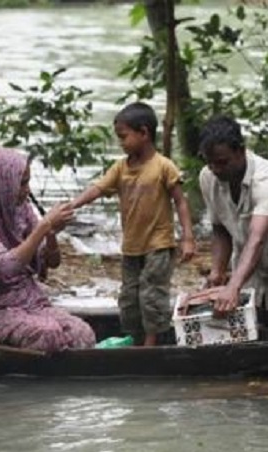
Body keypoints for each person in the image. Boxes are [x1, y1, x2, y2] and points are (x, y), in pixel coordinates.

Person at [70, 102, 195, 347]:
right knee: (129, 297)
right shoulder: (120, 168)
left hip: (158, 245)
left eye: (124, 137)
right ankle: (135, 341)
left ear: (144, 133)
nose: (121, 143)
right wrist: (73, 205)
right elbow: (98, 188)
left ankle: (150, 345)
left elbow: (180, 202)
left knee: (151, 295)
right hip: (131, 246)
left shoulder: (163, 166)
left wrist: (188, 237)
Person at [0, 148, 96, 352]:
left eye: (28, 182)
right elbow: (7, 266)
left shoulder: (20, 210)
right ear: (1, 183)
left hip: (28, 300)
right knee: (47, 335)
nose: (27, 190)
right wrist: (43, 226)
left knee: (82, 333)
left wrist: (51, 234)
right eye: (22, 184)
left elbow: (51, 263)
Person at [196, 115, 268, 319]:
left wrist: (233, 285)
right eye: (209, 162)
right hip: (247, 281)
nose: (215, 169)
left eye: (222, 162)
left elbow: (257, 239)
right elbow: (220, 228)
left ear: (240, 150)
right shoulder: (208, 177)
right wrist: (218, 271)